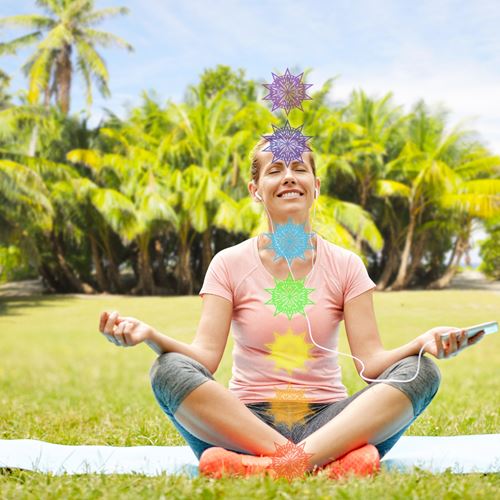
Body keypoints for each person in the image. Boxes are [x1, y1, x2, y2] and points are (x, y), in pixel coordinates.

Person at [98, 139, 485, 480]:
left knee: (422, 372)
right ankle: (327, 465)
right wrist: (150, 336)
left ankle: (270, 466)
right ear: (255, 189)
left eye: (300, 168)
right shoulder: (228, 263)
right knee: (167, 370)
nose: (288, 177)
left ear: (315, 187)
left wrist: (421, 344)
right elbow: (204, 359)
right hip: (245, 423)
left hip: (330, 422)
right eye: (275, 170)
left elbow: (370, 365)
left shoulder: (346, 264)